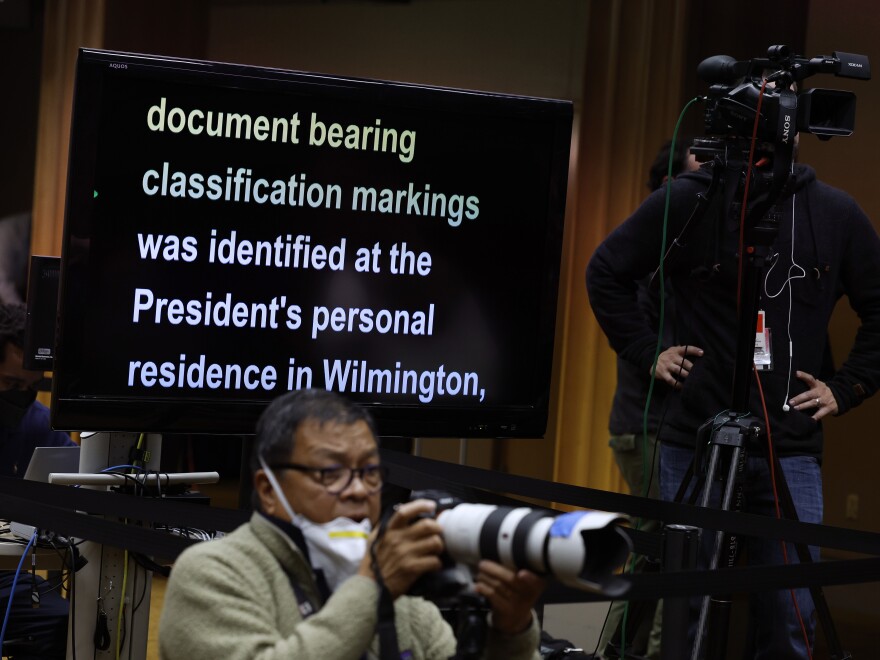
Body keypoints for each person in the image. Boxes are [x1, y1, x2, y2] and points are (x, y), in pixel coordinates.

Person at [586, 130, 880, 659]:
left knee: (792, 615)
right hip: (694, 438)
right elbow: (605, 271)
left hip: (789, 445)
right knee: (686, 613)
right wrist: (647, 350)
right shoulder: (689, 200)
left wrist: (847, 388)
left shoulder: (835, 213)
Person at [158, 388, 544, 660]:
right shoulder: (212, 573)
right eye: (331, 472)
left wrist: (509, 632)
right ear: (268, 489)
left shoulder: (404, 598)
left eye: (370, 472)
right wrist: (371, 590)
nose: (359, 490)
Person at [597, 139, 698, 660]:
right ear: (669, 188)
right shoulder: (649, 255)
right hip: (646, 429)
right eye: (697, 173)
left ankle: (617, 651)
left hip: (652, 427)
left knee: (661, 551)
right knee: (666, 550)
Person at [0, 302, 76, 659]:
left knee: (66, 624)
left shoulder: (39, 423)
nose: (20, 396)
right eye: (11, 383)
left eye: (31, 387)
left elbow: (80, 479)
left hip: (7, 578)